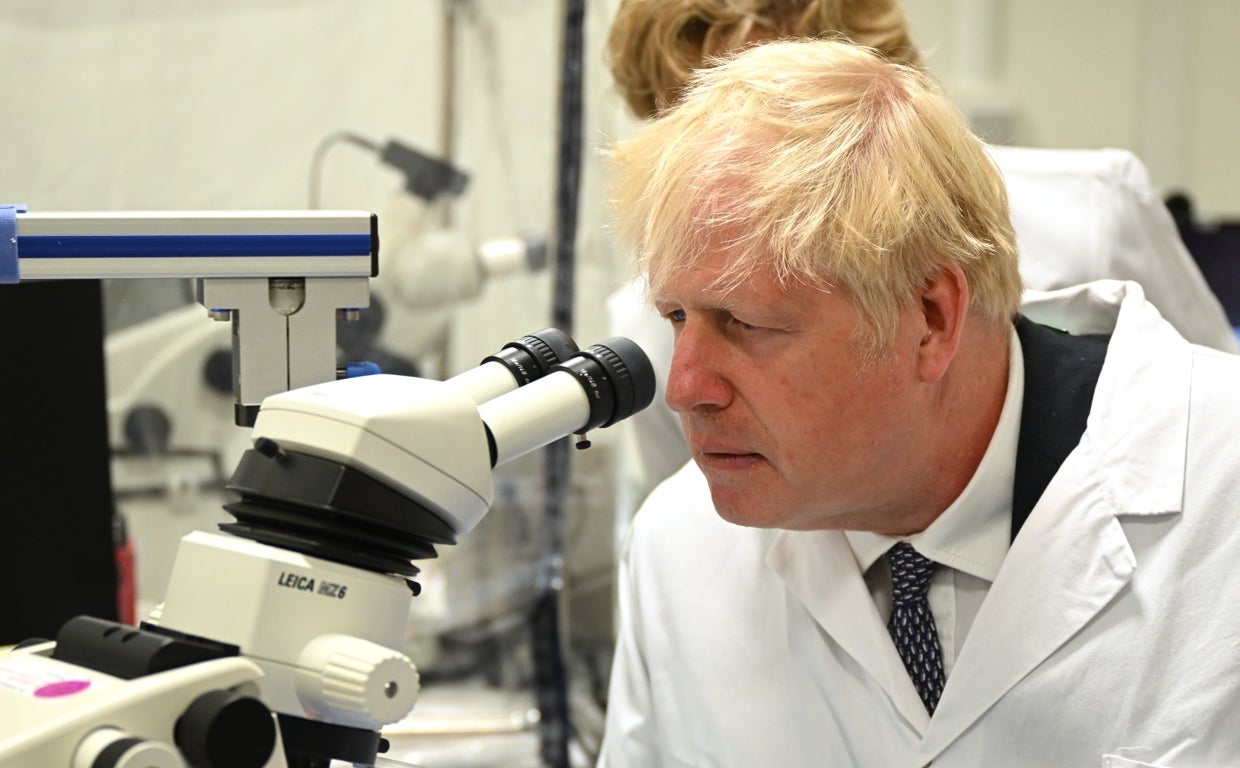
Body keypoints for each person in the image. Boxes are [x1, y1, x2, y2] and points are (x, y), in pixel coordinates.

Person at [597, 38, 1240, 766]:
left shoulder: (1221, 495)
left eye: (746, 323)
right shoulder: (676, 550)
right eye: (677, 317)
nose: (685, 389)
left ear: (931, 318)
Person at [603, 0, 1239, 517]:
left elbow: (1202, 424)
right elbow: (723, 532)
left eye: (788, 115)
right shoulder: (647, 331)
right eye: (695, 125)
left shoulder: (1087, 212)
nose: (728, 156)